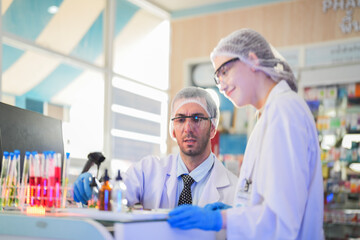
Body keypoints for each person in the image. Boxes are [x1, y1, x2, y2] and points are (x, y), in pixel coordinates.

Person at [168, 28, 324, 239]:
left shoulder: (284, 111)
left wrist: (222, 219)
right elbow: (267, 200)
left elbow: (281, 219)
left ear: (253, 60)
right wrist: (237, 210)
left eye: (224, 71)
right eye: (217, 77)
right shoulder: (266, 116)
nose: (221, 85)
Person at [73, 86, 238, 209]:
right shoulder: (148, 170)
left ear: (213, 128)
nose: (188, 128)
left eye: (197, 118)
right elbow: (115, 196)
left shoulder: (234, 189)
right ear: (172, 130)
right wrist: (95, 190)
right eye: (180, 119)